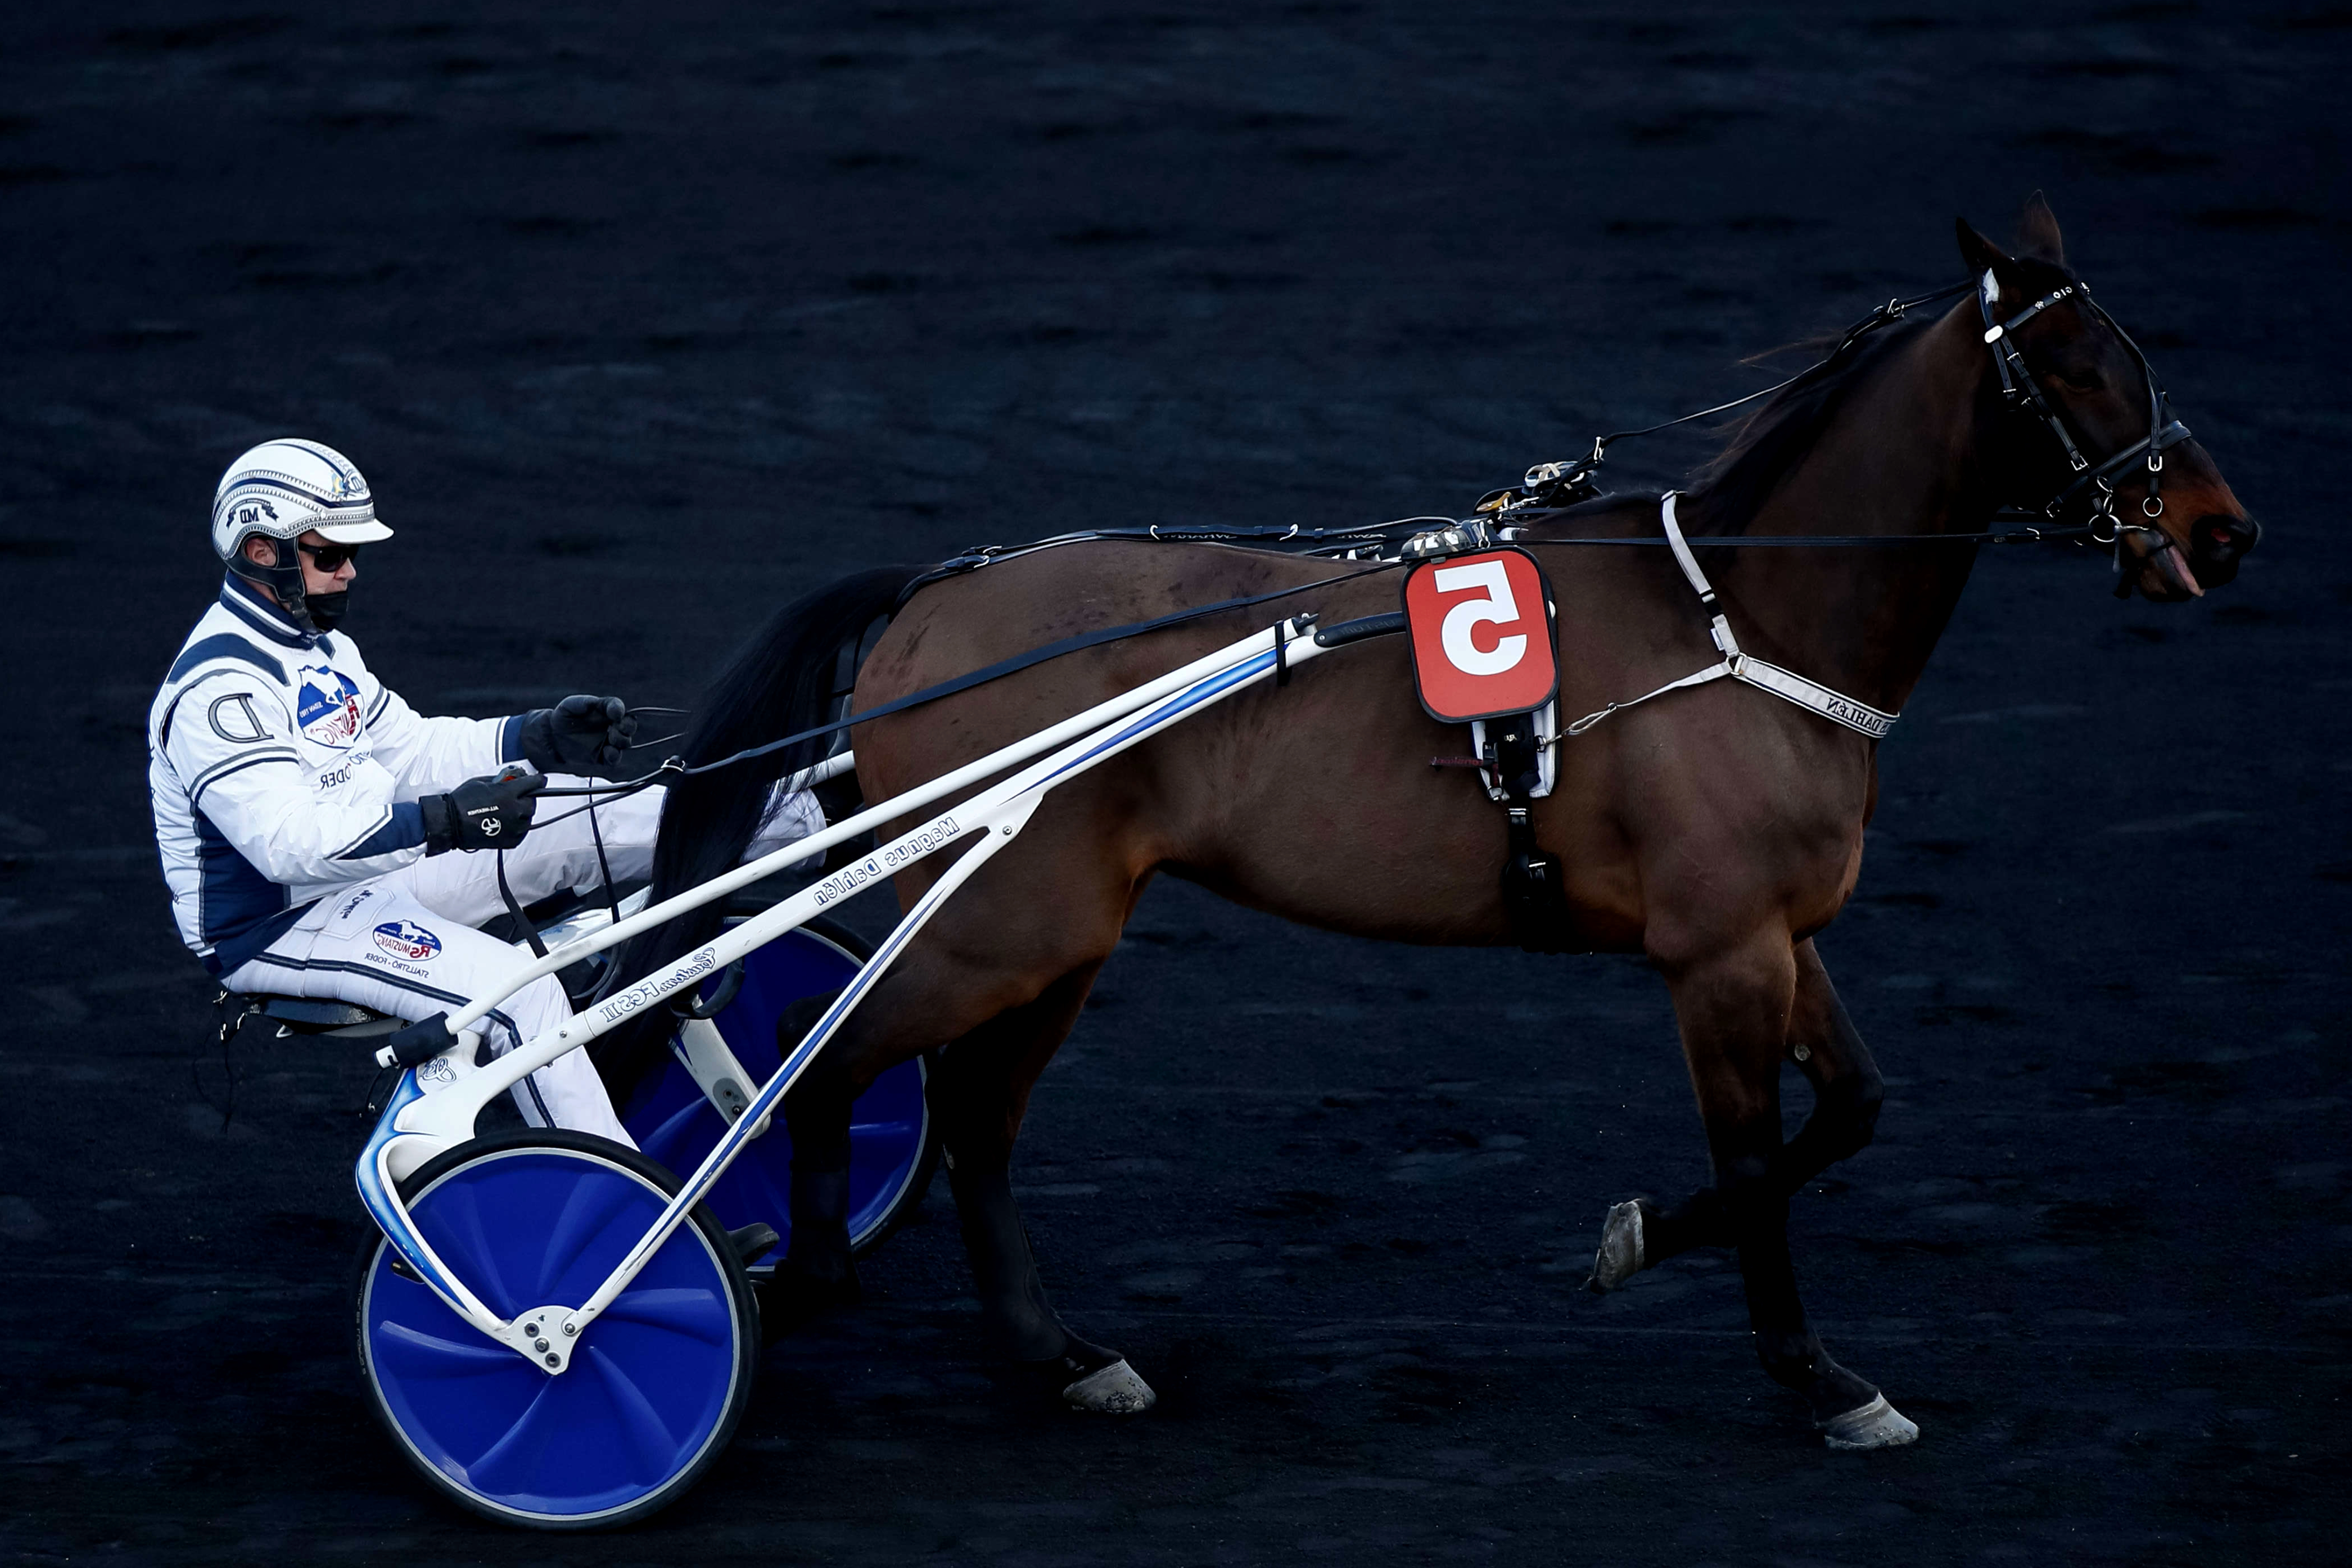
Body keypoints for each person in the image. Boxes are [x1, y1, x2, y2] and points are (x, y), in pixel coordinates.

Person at [147, 439, 822, 1143]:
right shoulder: (219, 693)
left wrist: (533, 740)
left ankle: (816, 819)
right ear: (261, 551)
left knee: (584, 808)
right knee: (522, 993)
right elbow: (291, 849)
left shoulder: (321, 650)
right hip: (285, 927)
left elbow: (410, 750)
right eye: (329, 556)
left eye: (354, 555)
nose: (349, 571)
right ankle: (623, 1217)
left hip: (376, 880)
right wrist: (446, 821)